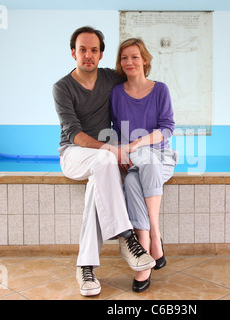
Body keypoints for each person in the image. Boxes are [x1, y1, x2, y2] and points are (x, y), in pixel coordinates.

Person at [52, 27, 156, 297]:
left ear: (100, 54)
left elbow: (137, 76)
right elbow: (73, 133)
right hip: (73, 154)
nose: (88, 55)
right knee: (104, 159)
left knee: (98, 181)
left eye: (94, 50)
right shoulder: (62, 87)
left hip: (102, 159)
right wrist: (111, 149)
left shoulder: (110, 78)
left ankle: (85, 267)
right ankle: (125, 236)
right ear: (73, 53)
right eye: (83, 49)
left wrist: (138, 143)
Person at [110, 38, 178, 293]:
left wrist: (137, 144)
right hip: (135, 159)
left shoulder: (160, 90)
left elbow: (167, 129)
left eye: (134, 57)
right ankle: (150, 248)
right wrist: (120, 151)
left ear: (145, 60)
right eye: (124, 58)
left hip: (161, 157)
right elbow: (115, 129)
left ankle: (148, 237)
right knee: (130, 181)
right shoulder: (117, 93)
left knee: (138, 174)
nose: (129, 62)